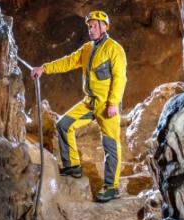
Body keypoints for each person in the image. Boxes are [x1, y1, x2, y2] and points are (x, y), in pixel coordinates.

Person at [31, 10, 126, 203]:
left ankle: (111, 187)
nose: (91, 29)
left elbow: (120, 78)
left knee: (110, 145)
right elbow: (68, 61)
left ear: (104, 26)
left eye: (94, 25)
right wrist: (44, 69)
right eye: (89, 26)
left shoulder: (114, 49)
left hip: (106, 104)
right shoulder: (87, 49)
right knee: (63, 125)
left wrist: (113, 103)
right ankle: (72, 166)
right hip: (90, 102)